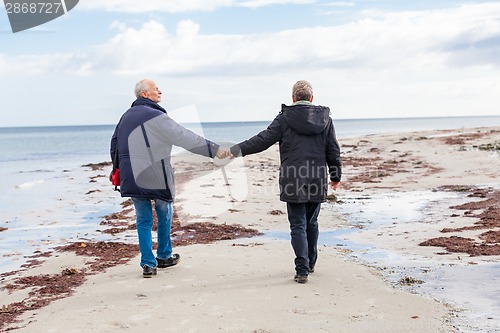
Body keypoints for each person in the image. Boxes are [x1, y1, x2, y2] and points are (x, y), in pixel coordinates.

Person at [110, 79, 228, 278]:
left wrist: (119, 170)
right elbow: (185, 137)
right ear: (145, 94)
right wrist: (214, 150)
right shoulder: (156, 116)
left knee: (143, 219)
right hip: (156, 174)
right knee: (164, 211)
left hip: (132, 175)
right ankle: (164, 255)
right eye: (156, 89)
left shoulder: (125, 116)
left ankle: (148, 264)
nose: (160, 92)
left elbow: (114, 145)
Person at [230, 80, 342, 284]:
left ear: (293, 98)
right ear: (312, 98)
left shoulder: (284, 118)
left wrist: (236, 150)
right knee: (312, 222)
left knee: (297, 224)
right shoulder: (326, 120)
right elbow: (333, 150)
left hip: (293, 177)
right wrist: (335, 176)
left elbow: (262, 140)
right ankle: (310, 263)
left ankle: (302, 269)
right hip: (317, 176)